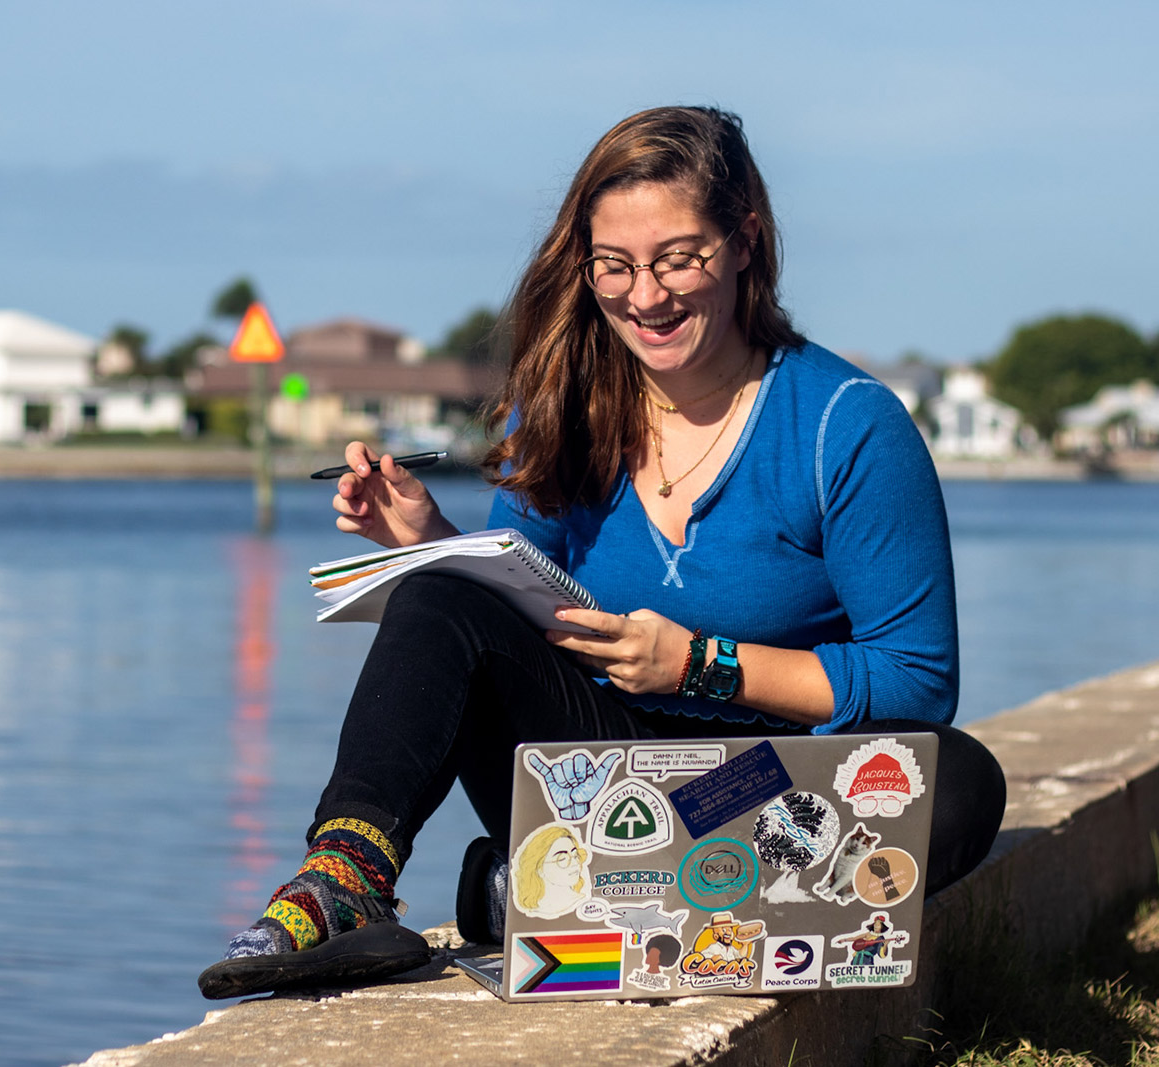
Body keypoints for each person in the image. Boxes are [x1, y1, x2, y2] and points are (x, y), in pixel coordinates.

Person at [198, 105, 1006, 1000]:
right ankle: (345, 883)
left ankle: (549, 896)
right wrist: (428, 542)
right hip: (595, 778)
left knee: (961, 781)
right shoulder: (558, 409)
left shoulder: (845, 425)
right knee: (436, 594)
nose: (646, 296)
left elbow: (917, 678)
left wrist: (702, 666)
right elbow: (517, 601)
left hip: (765, 792)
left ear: (745, 240)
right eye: (615, 266)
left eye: (678, 257)